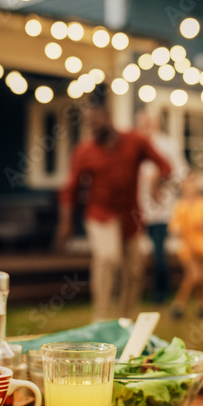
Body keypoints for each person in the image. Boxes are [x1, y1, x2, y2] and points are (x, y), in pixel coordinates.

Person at [56, 101, 172, 322]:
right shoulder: (85, 151)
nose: (93, 128)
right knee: (109, 257)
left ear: (108, 117)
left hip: (130, 216)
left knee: (135, 267)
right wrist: (65, 223)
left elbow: (165, 165)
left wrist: (158, 183)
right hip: (100, 215)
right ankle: (100, 318)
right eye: (89, 124)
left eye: (96, 122)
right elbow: (70, 189)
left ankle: (125, 319)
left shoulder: (135, 141)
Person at [136, 110, 187, 305]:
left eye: (147, 121)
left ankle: (161, 293)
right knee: (134, 253)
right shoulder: (135, 145)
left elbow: (180, 174)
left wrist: (160, 181)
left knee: (159, 252)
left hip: (160, 211)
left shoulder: (167, 145)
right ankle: (136, 292)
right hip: (136, 210)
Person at [169, 172, 203, 320]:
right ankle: (178, 306)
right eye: (188, 184)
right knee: (194, 275)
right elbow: (174, 226)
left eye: (193, 183)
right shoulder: (180, 206)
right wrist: (177, 229)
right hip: (188, 247)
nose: (191, 187)